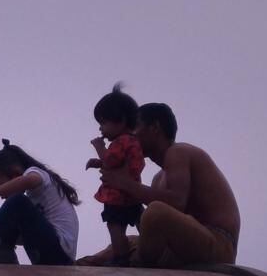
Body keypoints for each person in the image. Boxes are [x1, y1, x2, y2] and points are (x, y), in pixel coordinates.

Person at [80, 102, 240, 267]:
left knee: (156, 211)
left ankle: (136, 266)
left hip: (217, 245)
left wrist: (124, 183)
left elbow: (176, 204)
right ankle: (81, 264)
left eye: (135, 127)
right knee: (125, 243)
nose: (131, 135)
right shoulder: (159, 178)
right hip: (180, 249)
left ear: (155, 127)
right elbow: (152, 225)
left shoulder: (179, 152)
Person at [84, 84, 145, 267]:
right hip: (132, 194)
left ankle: (121, 257)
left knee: (115, 225)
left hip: (117, 196)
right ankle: (155, 247)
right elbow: (118, 163)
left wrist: (99, 147)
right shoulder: (133, 141)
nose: (101, 129)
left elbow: (111, 161)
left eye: (103, 123)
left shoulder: (122, 141)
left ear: (121, 121)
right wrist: (98, 163)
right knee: (140, 220)